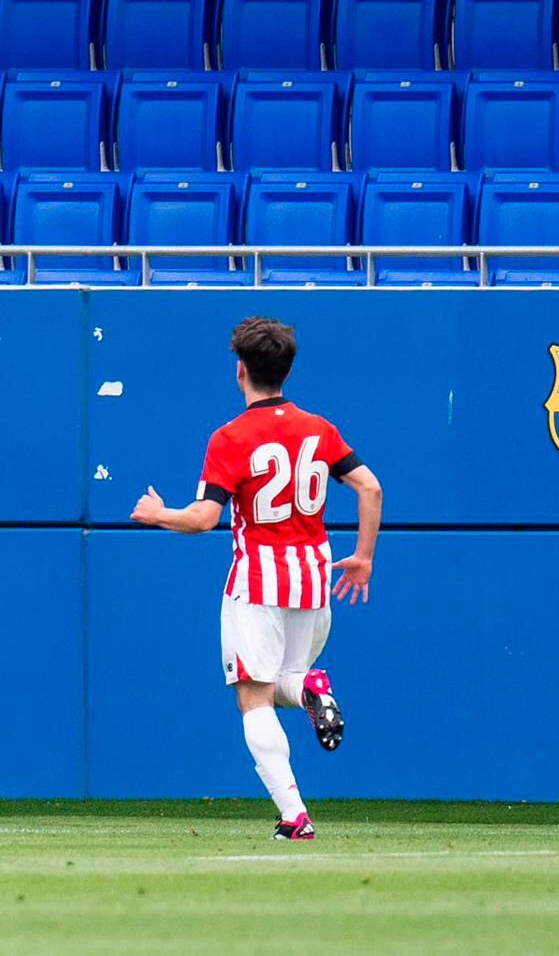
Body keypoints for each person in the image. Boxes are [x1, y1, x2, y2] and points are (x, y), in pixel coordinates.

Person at [131, 317, 382, 840]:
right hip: (314, 580)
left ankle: (295, 817)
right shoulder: (319, 428)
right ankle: (312, 687)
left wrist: (158, 514)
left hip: (259, 583)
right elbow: (370, 488)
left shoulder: (231, 437)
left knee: (253, 697)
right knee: (281, 684)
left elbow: (204, 518)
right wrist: (362, 557)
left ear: (240, 370)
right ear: (286, 369)